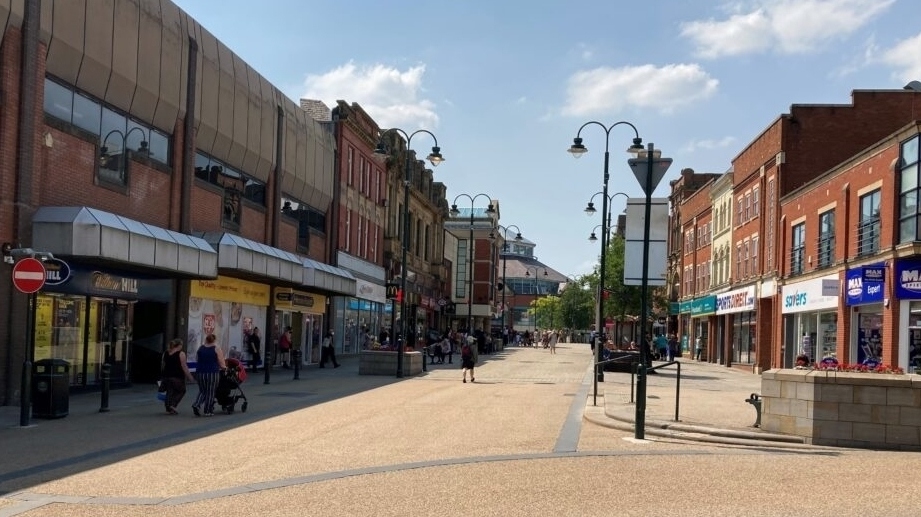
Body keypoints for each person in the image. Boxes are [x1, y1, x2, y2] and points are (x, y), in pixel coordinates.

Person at [192, 333, 226, 417]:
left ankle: (196, 404)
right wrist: (224, 368)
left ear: (206, 339)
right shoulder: (216, 349)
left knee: (203, 390)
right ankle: (208, 410)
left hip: (200, 372)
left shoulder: (201, 348)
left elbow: (197, 359)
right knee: (210, 391)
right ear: (214, 340)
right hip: (212, 372)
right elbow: (221, 362)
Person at [160, 338, 194, 415]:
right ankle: (173, 405)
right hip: (177, 376)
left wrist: (162, 375)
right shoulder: (181, 354)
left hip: (167, 375)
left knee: (169, 391)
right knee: (181, 390)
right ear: (179, 345)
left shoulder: (166, 353)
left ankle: (168, 407)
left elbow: (162, 365)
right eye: (181, 345)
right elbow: (184, 366)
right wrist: (189, 376)